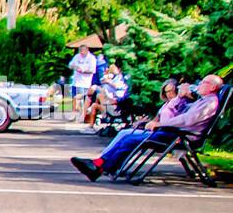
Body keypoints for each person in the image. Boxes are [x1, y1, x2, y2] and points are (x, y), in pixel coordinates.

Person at [71, 74, 224, 180]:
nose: (199, 85)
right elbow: (175, 111)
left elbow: (186, 120)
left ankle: (100, 166)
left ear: (211, 87)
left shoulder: (209, 102)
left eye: (203, 82)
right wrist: (180, 97)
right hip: (174, 133)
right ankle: (99, 165)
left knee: (130, 139)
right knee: (129, 137)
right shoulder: (202, 100)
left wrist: (160, 124)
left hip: (179, 136)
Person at [68, 45, 96, 114]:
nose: (81, 52)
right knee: (74, 98)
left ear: (87, 50)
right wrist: (74, 67)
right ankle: (74, 114)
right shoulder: (77, 56)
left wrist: (83, 71)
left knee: (81, 99)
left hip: (85, 83)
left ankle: (82, 114)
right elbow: (70, 65)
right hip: (76, 82)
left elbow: (92, 70)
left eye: (83, 51)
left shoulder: (91, 58)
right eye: (80, 51)